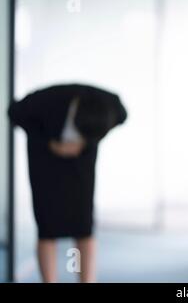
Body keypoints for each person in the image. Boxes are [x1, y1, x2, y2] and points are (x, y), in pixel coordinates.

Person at [8, 84, 127, 283]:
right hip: (45, 160)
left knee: (83, 223)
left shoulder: (108, 102)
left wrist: (85, 143)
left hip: (81, 162)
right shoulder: (45, 100)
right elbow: (13, 112)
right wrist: (50, 143)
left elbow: (122, 116)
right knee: (47, 226)